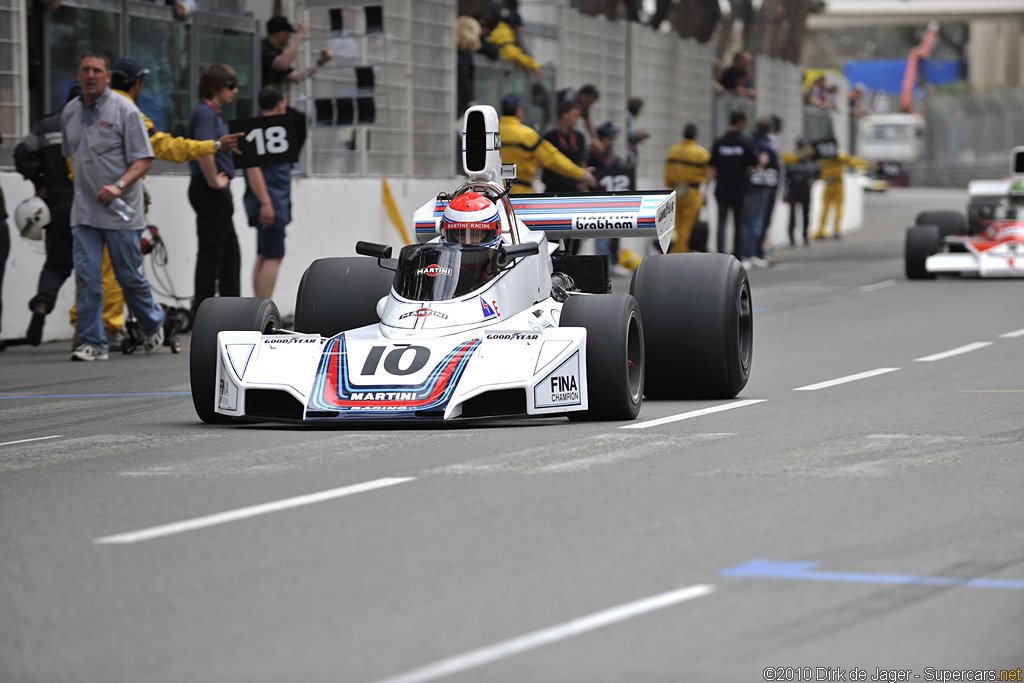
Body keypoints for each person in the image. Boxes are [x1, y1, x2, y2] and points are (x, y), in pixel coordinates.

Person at [61, 51, 163, 361]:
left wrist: (118, 185)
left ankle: (152, 323)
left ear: (107, 77)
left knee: (128, 276)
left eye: (97, 70)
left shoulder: (125, 111)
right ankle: (94, 342)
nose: (90, 75)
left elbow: (144, 158)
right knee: (87, 275)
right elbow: (71, 156)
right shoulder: (70, 113)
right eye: (85, 70)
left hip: (121, 211)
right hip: (85, 212)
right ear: (79, 75)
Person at [15, 82, 80, 346]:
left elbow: (21, 153)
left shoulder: (47, 125)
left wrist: (39, 180)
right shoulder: (94, 124)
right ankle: (88, 329)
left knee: (56, 264)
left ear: (66, 99)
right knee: (92, 268)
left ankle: (42, 303)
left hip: (54, 204)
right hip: (86, 204)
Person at [187, 63, 241, 314]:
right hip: (210, 190)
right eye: (230, 86)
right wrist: (213, 180)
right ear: (216, 87)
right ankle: (205, 307)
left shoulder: (212, 113)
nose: (235, 91)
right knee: (213, 252)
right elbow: (204, 148)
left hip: (215, 190)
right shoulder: (206, 113)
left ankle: (228, 306)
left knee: (229, 252)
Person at [244, 86, 292, 300]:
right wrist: (266, 203)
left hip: (269, 201)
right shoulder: (268, 129)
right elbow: (252, 167)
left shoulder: (260, 127)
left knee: (263, 254)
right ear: (280, 103)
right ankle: (262, 308)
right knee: (274, 255)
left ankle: (257, 307)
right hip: (271, 201)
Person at [498, 93, 596, 194]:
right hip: (522, 194)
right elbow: (553, 159)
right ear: (518, 111)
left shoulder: (492, 134)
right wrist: (580, 174)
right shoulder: (527, 135)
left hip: (496, 194)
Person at [708, 110, 761, 257]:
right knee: (739, 225)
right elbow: (755, 165)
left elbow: (712, 168)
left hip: (722, 189)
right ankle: (738, 257)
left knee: (721, 224)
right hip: (740, 190)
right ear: (740, 123)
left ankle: (720, 256)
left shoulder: (719, 142)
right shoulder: (746, 143)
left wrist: (705, 189)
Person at [663, 122, 710, 253]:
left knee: (676, 223)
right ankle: (682, 251)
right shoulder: (701, 153)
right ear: (696, 136)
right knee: (688, 226)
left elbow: (667, 172)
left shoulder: (673, 150)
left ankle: (674, 250)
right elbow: (707, 173)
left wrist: (670, 185)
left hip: (676, 191)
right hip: (692, 192)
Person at [587, 121, 626, 274]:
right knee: (601, 233)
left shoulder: (608, 153)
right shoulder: (593, 153)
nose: (612, 141)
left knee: (610, 232)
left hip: (611, 197)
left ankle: (609, 262)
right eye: (610, 138)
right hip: (596, 198)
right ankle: (603, 264)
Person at [741, 117, 780, 268]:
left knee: (747, 222)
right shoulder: (769, 146)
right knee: (757, 222)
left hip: (750, 186)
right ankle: (752, 252)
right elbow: (774, 167)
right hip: (762, 187)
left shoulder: (749, 143)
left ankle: (748, 252)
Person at [812, 135, 866, 240]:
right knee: (826, 209)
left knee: (837, 208)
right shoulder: (824, 158)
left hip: (838, 184)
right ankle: (822, 229)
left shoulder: (839, 156)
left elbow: (852, 162)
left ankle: (836, 229)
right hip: (829, 184)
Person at [261, 15, 333, 88]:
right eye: (288, 32)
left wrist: (321, 62)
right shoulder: (263, 48)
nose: (289, 36)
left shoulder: (276, 53)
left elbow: (296, 76)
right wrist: (300, 35)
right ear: (280, 33)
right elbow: (282, 64)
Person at [541, 100, 588, 193]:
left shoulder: (579, 137)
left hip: (573, 188)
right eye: (575, 115)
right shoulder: (550, 136)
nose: (577, 119)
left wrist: (584, 186)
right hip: (552, 189)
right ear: (564, 115)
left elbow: (583, 162)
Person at [782, 137, 820, 247]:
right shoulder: (791, 158)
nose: (801, 149)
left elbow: (817, 170)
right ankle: (791, 238)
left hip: (805, 188)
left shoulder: (810, 159)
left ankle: (805, 236)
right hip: (793, 188)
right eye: (800, 146)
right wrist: (785, 192)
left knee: (806, 213)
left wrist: (814, 179)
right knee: (792, 215)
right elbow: (785, 175)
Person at [484, 9, 541, 79]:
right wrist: (532, 64)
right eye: (518, 26)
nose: (518, 29)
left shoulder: (503, 31)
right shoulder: (504, 33)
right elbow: (511, 53)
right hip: (493, 78)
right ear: (514, 26)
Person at [456, 15, 482, 118]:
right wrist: (469, 101)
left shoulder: (454, 53)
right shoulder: (465, 55)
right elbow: (464, 78)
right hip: (460, 105)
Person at [624, 96, 649, 167]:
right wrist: (639, 135)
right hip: (628, 150)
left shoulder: (629, 117)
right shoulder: (628, 117)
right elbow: (629, 136)